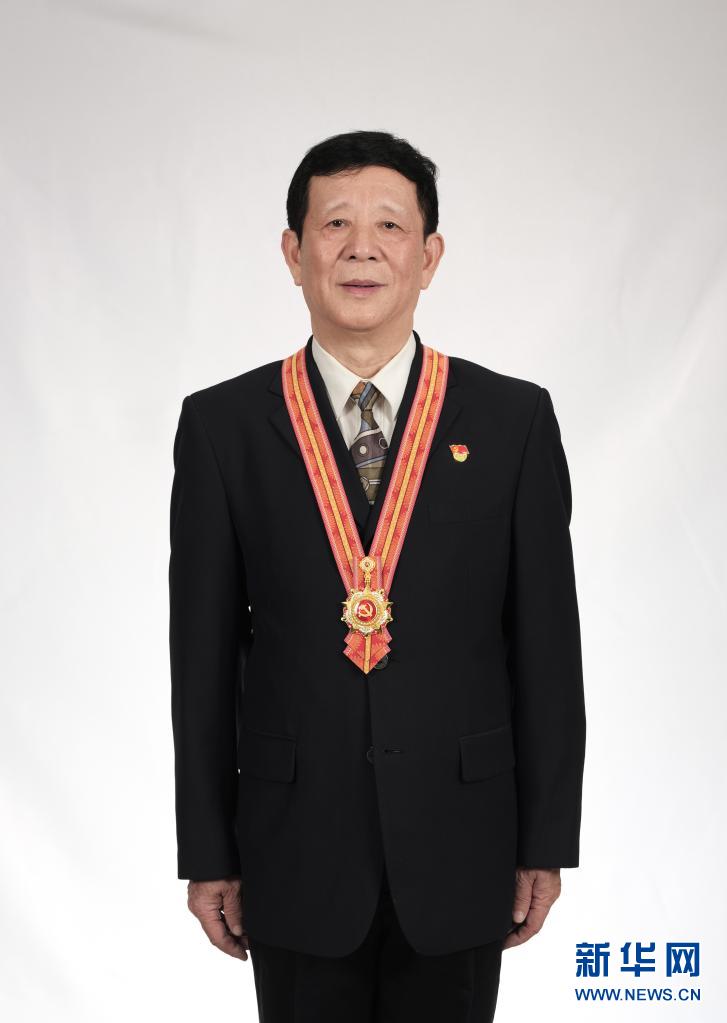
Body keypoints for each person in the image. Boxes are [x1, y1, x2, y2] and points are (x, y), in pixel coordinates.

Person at [168, 129, 586, 1022]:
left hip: (464, 836)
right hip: (290, 843)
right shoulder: (223, 426)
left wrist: (545, 837)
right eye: (335, 225)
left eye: (390, 225)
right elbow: (200, 658)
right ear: (294, 253)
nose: (362, 248)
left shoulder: (511, 420)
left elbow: (546, 644)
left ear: (428, 256)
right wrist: (207, 848)